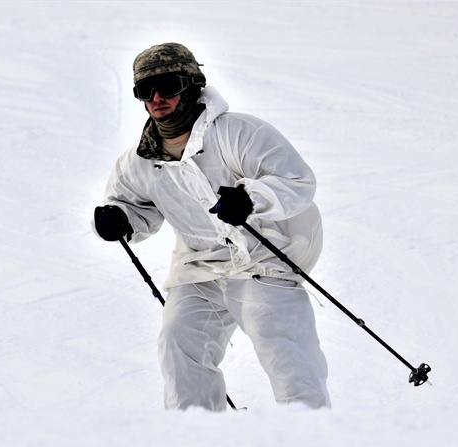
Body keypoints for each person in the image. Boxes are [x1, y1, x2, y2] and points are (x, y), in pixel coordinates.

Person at [93, 42, 330, 411]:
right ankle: (197, 437)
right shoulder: (138, 161)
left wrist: (250, 199)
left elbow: (296, 181)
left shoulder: (240, 133)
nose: (157, 98)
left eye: (168, 85)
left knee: (278, 340)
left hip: (264, 256)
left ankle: (311, 431)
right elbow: (132, 206)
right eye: (145, 91)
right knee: (178, 341)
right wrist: (118, 220)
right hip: (199, 265)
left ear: (191, 84)